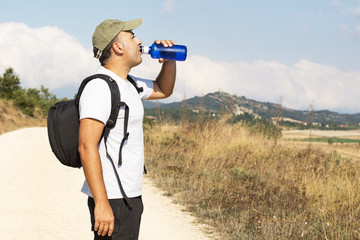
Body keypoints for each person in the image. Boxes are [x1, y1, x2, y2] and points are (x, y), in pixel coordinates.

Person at [78, 18, 176, 239]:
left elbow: (163, 89)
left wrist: (170, 60)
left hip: (129, 194)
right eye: (132, 36)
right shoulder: (99, 87)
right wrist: (101, 203)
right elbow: (86, 146)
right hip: (111, 196)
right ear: (118, 46)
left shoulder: (130, 83)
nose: (140, 41)